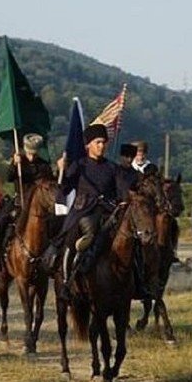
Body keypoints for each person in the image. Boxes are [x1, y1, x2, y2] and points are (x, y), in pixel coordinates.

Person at [47, 124, 123, 298]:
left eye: (103, 142)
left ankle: (138, 280)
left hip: (107, 212)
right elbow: (64, 188)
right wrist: (61, 170)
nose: (101, 146)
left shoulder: (112, 168)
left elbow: (120, 193)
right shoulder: (78, 165)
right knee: (70, 238)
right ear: (88, 145)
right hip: (82, 211)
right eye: (97, 142)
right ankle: (66, 281)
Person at [0, 133, 53, 276]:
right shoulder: (19, 161)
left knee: (57, 224)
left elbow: (51, 183)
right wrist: (14, 164)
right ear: (25, 149)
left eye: (34, 153)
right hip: (20, 201)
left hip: (39, 205)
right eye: (29, 152)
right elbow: (9, 177)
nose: (31, 156)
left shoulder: (44, 165)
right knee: (0, 223)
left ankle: (56, 261)